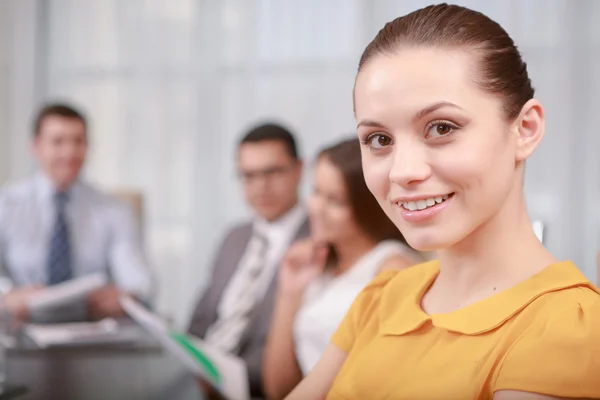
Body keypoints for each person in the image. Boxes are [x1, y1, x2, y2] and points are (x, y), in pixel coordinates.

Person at [286, 4, 600, 400]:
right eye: (379, 139)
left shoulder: (566, 327)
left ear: (525, 129)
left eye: (441, 128)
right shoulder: (383, 296)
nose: (402, 171)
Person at [263, 138, 421, 400]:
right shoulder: (318, 266)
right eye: (315, 191)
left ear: (366, 207)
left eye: (335, 201)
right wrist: (289, 292)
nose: (316, 208)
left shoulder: (393, 268)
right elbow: (278, 388)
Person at [0, 103, 154, 323]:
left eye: (78, 141)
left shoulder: (114, 210)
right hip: (19, 330)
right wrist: (7, 296)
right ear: (36, 146)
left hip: (90, 332)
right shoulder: (5, 205)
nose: (70, 152)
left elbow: (139, 279)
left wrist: (126, 295)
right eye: (58, 141)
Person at [187, 123, 310, 399]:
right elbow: (200, 320)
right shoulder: (234, 238)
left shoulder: (319, 240)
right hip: (199, 382)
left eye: (272, 172)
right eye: (248, 175)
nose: (260, 186)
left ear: (299, 169)